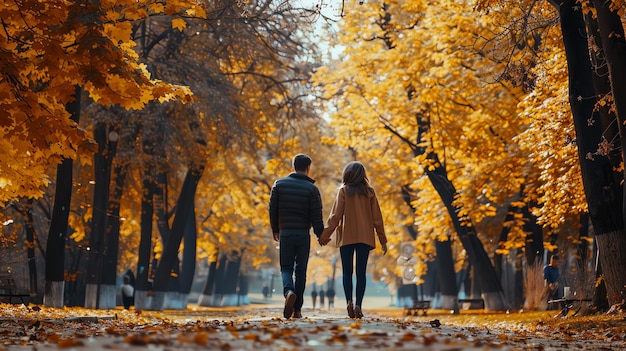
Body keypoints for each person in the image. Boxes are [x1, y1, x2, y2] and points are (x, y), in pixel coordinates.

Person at [319, 161, 388, 319]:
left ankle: (349, 302)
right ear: (363, 174)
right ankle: (359, 305)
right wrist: (383, 240)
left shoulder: (343, 191)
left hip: (347, 238)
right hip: (365, 237)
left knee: (347, 273)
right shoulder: (370, 192)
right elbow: (377, 218)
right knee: (361, 273)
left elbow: (335, 216)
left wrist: (325, 236)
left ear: (347, 174)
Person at [269, 154, 324, 319]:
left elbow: (272, 208)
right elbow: (316, 215)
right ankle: (297, 310)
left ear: (294, 166)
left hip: (285, 232)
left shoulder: (279, 184)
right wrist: (320, 235)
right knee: (301, 271)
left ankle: (288, 292)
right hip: (302, 235)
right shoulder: (312, 189)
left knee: (286, 268)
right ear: (308, 168)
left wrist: (275, 229)